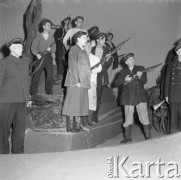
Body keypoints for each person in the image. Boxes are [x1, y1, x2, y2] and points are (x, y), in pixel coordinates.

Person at [0, 38, 30, 154]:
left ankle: (18, 153)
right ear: (11, 48)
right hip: (5, 101)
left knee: (20, 130)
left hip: (21, 100)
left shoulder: (24, 63)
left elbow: (26, 81)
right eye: (18, 46)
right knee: (3, 130)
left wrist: (27, 97)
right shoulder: (3, 62)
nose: (21, 49)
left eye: (22, 47)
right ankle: (2, 154)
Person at [115, 53, 151, 143]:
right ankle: (127, 138)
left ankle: (148, 136)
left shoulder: (140, 68)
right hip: (128, 98)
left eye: (133, 59)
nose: (132, 60)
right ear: (126, 62)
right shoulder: (122, 72)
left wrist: (139, 76)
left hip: (140, 96)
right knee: (128, 118)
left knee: (144, 116)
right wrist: (124, 80)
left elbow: (144, 81)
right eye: (130, 59)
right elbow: (116, 83)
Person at [62, 31, 91, 132]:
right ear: (77, 39)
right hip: (75, 82)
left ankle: (77, 126)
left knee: (80, 104)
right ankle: (70, 127)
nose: (86, 39)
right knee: (72, 104)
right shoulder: (74, 49)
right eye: (84, 37)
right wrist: (77, 81)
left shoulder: (83, 50)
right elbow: (72, 66)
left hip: (83, 82)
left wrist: (86, 81)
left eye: (86, 38)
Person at [30, 18, 56, 95]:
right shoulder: (38, 37)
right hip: (39, 57)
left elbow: (54, 49)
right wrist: (36, 54)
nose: (50, 26)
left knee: (50, 76)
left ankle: (49, 92)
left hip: (48, 57)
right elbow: (33, 47)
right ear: (44, 26)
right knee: (36, 75)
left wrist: (53, 59)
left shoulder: (52, 37)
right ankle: (33, 92)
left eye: (50, 25)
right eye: (48, 25)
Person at [91, 32, 113, 123]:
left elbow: (108, 65)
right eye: (102, 39)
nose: (104, 41)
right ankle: (87, 116)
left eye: (104, 39)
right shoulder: (91, 49)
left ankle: (94, 117)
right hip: (91, 75)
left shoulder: (107, 50)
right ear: (97, 40)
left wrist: (108, 60)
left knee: (98, 96)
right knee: (90, 96)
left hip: (100, 75)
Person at [164, 43, 181, 134]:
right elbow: (167, 80)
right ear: (177, 52)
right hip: (174, 94)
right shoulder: (171, 64)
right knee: (173, 119)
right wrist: (166, 94)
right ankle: (172, 139)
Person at [84, 40, 102, 126]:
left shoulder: (95, 58)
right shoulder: (80, 57)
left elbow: (99, 69)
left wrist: (90, 70)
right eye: (86, 45)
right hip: (82, 82)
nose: (88, 47)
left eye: (89, 45)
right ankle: (82, 119)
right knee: (82, 101)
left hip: (91, 82)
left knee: (91, 102)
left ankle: (89, 118)